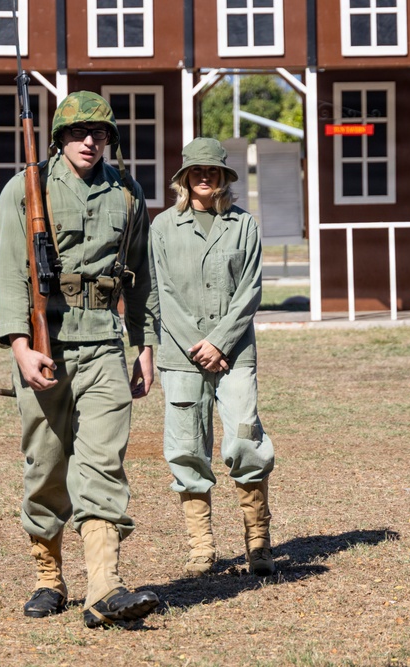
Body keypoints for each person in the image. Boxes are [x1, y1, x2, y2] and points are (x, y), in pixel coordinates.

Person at [0, 90, 160, 627]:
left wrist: (145, 346)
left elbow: (141, 277)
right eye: (79, 132)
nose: (90, 141)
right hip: (46, 347)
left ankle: (104, 588)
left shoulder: (128, 194)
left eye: (101, 133)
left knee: (102, 462)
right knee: (46, 465)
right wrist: (20, 345)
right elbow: (7, 274)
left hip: (105, 344)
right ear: (61, 137)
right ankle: (48, 576)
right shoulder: (25, 188)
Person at [149, 137, 276, 578]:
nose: (205, 177)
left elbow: (251, 290)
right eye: (197, 171)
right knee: (186, 449)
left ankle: (258, 541)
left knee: (245, 438)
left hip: (235, 352)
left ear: (224, 177)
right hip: (181, 356)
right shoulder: (163, 227)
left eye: (214, 171)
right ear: (184, 178)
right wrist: (198, 347)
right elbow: (161, 292)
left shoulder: (244, 226)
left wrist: (219, 343)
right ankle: (201, 547)